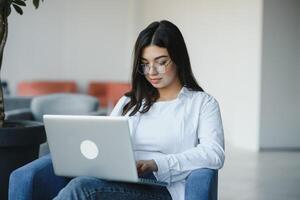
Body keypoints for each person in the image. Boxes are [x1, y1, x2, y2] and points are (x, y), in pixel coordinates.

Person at [54, 20, 225, 200]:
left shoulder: (202, 103)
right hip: (116, 181)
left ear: (178, 59)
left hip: (162, 187)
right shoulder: (129, 101)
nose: (151, 71)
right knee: (80, 183)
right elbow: (104, 143)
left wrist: (156, 164)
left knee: (82, 188)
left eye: (161, 62)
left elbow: (214, 153)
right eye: (144, 64)